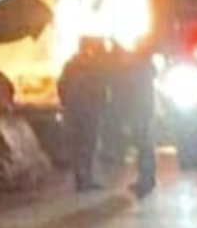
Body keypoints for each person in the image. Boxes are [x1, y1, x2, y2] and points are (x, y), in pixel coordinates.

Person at [58, 37, 113, 192]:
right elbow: (102, 86)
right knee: (89, 144)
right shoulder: (94, 65)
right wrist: (103, 104)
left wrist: (66, 102)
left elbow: (61, 85)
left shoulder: (70, 65)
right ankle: (87, 178)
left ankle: (80, 178)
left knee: (77, 144)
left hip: (73, 109)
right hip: (90, 110)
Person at [107, 39, 158, 199]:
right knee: (145, 146)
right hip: (144, 110)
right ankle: (147, 179)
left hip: (140, 111)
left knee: (143, 146)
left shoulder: (137, 69)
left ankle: (146, 180)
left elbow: (128, 91)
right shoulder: (145, 68)